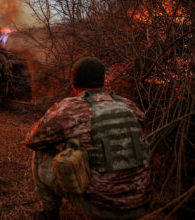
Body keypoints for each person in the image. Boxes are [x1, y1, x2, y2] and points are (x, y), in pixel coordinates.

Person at [25, 57, 151, 220]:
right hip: (141, 204)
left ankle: (50, 214)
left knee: (40, 155)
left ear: (73, 84)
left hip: (102, 207)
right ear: (103, 82)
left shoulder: (69, 108)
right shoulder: (129, 105)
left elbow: (32, 141)